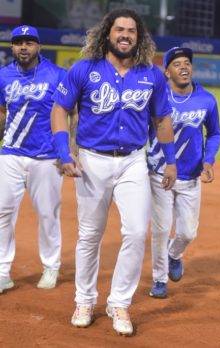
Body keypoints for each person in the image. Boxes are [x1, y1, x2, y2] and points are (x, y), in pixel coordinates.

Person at [51, 8, 176, 336]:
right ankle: (84, 299)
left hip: (134, 161)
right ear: (108, 33)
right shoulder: (84, 69)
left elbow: (162, 119)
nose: (125, 35)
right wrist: (63, 152)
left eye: (131, 31)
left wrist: (172, 160)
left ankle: (119, 302)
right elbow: (61, 108)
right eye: (119, 29)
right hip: (93, 161)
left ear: (139, 37)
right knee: (90, 235)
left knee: (136, 232)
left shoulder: (151, 73)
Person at [147, 47, 220, 298]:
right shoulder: (158, 97)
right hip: (159, 174)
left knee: (188, 232)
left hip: (190, 176)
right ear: (166, 71)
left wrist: (208, 160)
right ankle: (159, 279)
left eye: (187, 63)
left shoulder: (206, 99)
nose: (184, 67)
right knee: (160, 229)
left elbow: (214, 133)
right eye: (177, 63)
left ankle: (174, 253)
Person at [0, 25, 67, 293]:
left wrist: (67, 152)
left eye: (29, 42)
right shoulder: (3, 75)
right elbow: (2, 112)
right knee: (2, 212)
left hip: (46, 157)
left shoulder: (57, 75)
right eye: (18, 43)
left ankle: (51, 265)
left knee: (48, 214)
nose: (23, 47)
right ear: (12, 47)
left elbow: (68, 113)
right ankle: (2, 270)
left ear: (39, 46)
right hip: (11, 154)